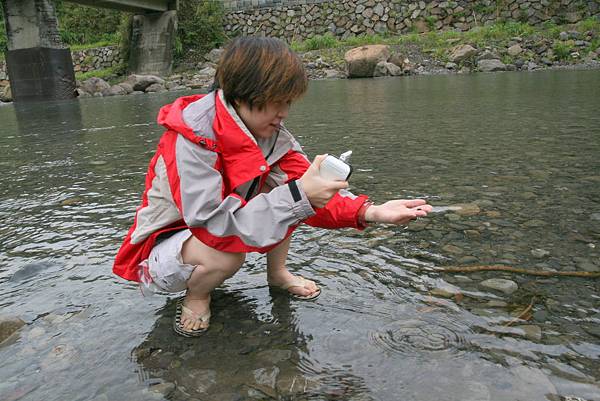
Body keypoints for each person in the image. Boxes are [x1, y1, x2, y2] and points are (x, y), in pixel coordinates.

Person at [113, 36, 432, 337]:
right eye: (277, 102)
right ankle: (197, 295)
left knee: (291, 190)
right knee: (236, 249)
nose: (284, 113)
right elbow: (211, 225)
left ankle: (277, 273)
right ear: (241, 94)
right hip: (162, 245)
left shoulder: (269, 133)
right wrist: (299, 195)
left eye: (288, 102)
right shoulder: (191, 139)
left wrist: (371, 212)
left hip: (211, 231)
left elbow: (308, 187)